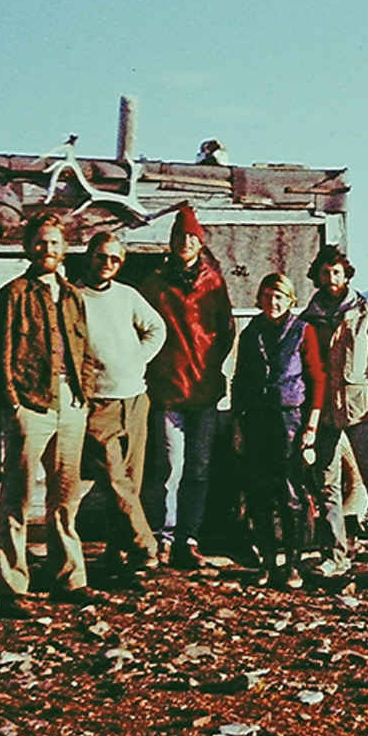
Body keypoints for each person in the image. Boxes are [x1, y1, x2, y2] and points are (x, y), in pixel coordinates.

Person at [0, 213, 93, 603]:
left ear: (65, 249)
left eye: (54, 243)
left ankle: (70, 579)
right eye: (41, 242)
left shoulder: (73, 296)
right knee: (17, 498)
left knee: (65, 498)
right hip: (31, 405)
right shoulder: (13, 294)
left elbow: (84, 350)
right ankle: (12, 587)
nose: (47, 249)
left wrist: (84, 396)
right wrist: (13, 402)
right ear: (28, 247)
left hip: (71, 403)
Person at [301, 244, 368, 576]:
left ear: (346, 274)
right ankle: (334, 556)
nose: (331, 278)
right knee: (327, 484)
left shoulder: (366, 312)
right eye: (324, 272)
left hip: (359, 409)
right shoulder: (308, 319)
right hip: (323, 412)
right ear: (317, 276)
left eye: (336, 272)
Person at [139, 205, 235, 568]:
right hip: (168, 390)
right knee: (168, 467)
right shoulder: (154, 284)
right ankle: (164, 536)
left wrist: (210, 365)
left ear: (201, 243)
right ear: (171, 241)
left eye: (192, 237)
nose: (186, 242)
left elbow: (226, 330)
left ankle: (188, 539)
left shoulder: (214, 282)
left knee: (199, 468)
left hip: (204, 389)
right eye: (181, 237)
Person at [77, 231, 167, 579]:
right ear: (89, 256)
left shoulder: (127, 296)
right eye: (101, 256)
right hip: (98, 403)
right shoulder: (73, 297)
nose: (107, 263)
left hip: (135, 398)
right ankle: (146, 546)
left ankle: (117, 558)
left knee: (131, 482)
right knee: (115, 481)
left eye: (115, 259)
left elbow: (156, 328)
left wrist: (136, 359)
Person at [232, 273, 323, 589]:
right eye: (268, 296)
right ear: (259, 299)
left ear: (290, 300)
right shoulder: (250, 333)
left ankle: (293, 564)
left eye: (280, 297)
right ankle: (267, 562)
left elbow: (317, 380)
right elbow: (240, 379)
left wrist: (311, 426)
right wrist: (238, 424)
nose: (273, 302)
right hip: (256, 419)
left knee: (290, 492)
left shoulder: (302, 331)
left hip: (289, 420)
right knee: (258, 492)